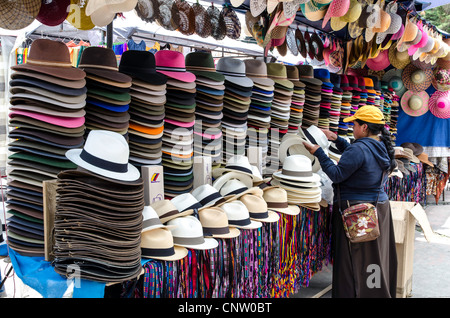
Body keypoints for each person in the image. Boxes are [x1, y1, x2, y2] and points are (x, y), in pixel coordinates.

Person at [303, 106, 397, 298]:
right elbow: (361, 157)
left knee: (353, 260)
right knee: (373, 258)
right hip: (378, 209)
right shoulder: (382, 146)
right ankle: (375, 293)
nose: (353, 128)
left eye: (354, 124)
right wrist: (338, 139)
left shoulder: (359, 149)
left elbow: (337, 175)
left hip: (357, 213)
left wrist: (319, 152)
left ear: (364, 127)